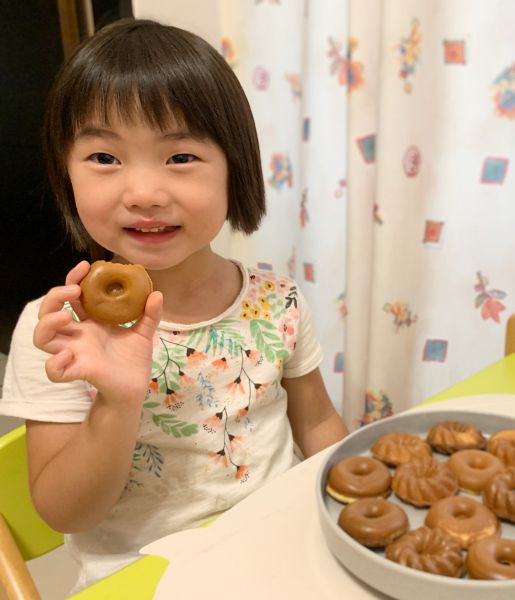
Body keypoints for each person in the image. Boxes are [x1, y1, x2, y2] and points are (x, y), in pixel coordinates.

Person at [0, 19, 348, 591]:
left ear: (235, 169)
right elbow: (65, 514)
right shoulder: (60, 331)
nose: (143, 193)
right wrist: (117, 400)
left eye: (181, 156)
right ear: (66, 173)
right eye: (105, 158)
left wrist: (347, 501)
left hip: (282, 543)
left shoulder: (276, 299)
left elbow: (316, 423)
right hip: (145, 573)